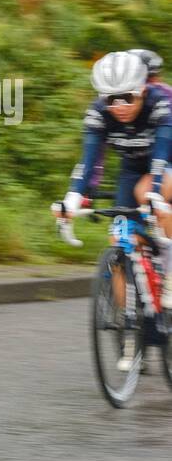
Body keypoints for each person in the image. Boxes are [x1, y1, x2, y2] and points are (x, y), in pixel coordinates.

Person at [61, 50, 172, 370]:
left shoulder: (161, 102)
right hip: (132, 168)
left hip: (165, 162)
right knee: (120, 239)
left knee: (148, 195)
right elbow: (89, 162)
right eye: (111, 100)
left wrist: (153, 196)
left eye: (126, 98)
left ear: (142, 90)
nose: (118, 107)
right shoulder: (99, 112)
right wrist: (74, 198)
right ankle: (130, 330)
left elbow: (162, 154)